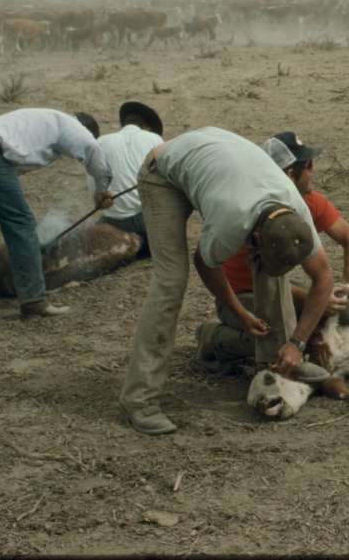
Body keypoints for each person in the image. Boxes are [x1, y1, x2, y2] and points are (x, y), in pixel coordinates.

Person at [118, 127, 335, 436]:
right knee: (171, 282)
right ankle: (139, 398)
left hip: (214, 160)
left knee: (271, 268)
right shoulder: (232, 220)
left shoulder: (295, 210)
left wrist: (297, 342)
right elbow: (203, 263)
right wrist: (240, 312)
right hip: (162, 173)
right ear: (256, 235)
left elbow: (324, 276)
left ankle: (277, 360)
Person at [195, 130, 349, 369]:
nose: (312, 171)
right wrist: (311, 300)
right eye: (308, 165)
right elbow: (263, 282)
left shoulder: (309, 202)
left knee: (347, 312)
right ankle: (212, 336)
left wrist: (346, 286)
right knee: (276, 344)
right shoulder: (253, 213)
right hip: (243, 296)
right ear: (289, 174)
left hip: (281, 290)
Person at [0, 108, 114, 318]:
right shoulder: (73, 126)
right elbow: (91, 148)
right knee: (21, 225)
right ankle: (34, 300)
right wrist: (101, 189)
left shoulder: (43, 120)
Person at [83, 101, 164, 258]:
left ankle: (124, 245)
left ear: (123, 124)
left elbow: (96, 194)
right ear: (146, 127)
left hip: (113, 223)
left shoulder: (99, 142)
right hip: (148, 221)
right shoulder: (154, 139)